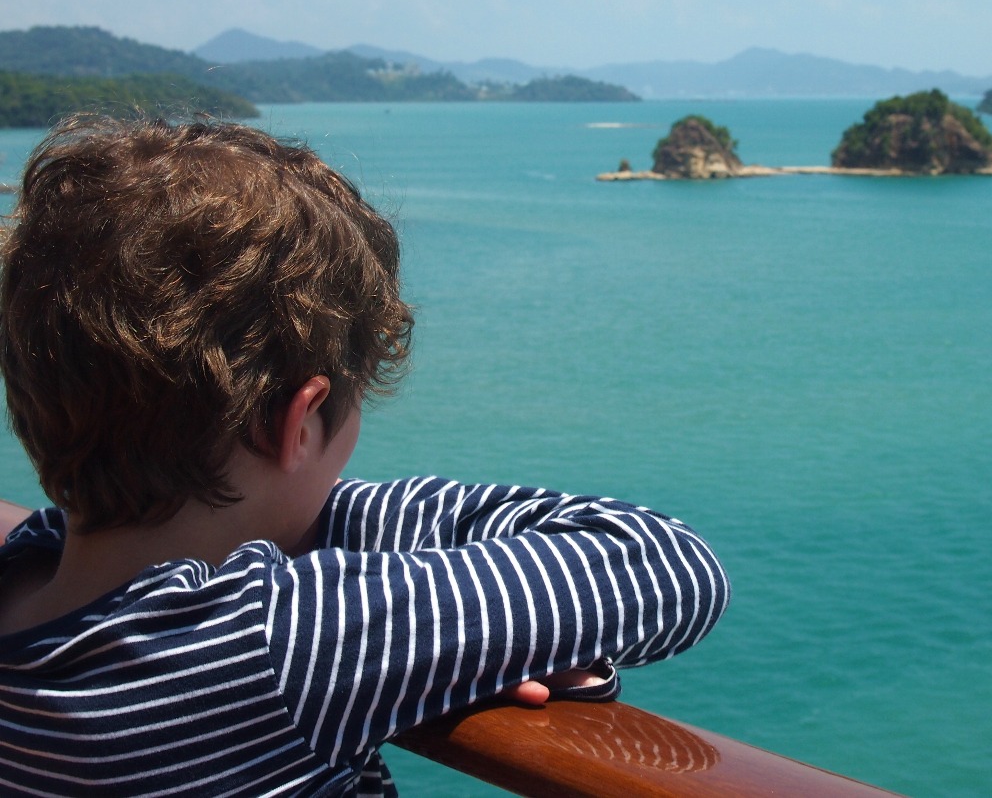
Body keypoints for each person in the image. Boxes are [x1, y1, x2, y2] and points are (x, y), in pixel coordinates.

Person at [0, 116, 729, 796]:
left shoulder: (23, 570)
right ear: (301, 422)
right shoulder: (283, 644)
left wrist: (444, 634)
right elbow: (667, 563)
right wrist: (469, 627)